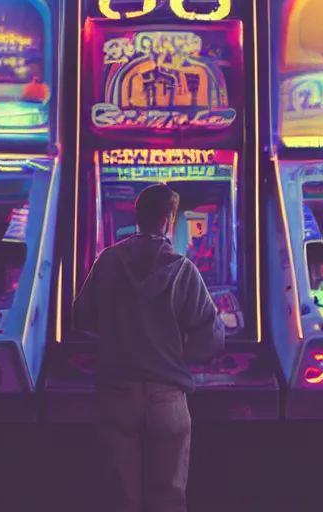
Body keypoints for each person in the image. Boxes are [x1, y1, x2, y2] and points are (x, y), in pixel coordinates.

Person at [73, 182, 225, 512]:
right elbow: (211, 339)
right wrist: (181, 348)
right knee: (168, 500)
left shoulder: (107, 261)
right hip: (166, 398)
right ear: (169, 219)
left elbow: (80, 317)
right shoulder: (184, 269)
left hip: (117, 393)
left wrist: (118, 329)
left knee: (120, 499)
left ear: (137, 216)